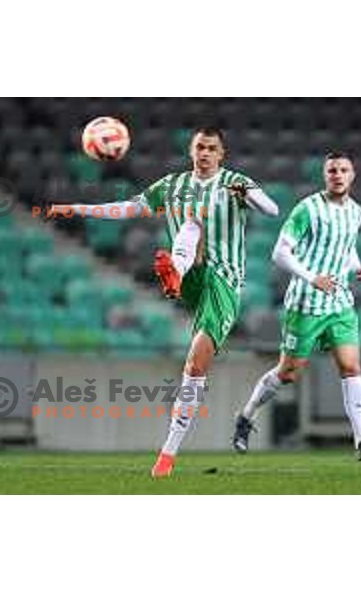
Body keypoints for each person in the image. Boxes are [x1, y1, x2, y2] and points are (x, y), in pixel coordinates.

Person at [50, 127, 279, 476]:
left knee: (195, 367)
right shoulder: (172, 185)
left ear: (222, 154)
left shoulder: (235, 181)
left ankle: (166, 457)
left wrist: (248, 194)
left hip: (223, 284)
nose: (204, 153)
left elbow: (273, 210)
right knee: (192, 220)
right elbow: (128, 208)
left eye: (211, 148)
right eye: (199, 147)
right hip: (190, 279)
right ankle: (175, 271)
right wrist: (77, 208)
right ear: (191, 151)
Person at [232, 151, 361, 462]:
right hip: (306, 303)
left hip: (340, 302)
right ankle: (246, 415)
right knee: (289, 373)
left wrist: (358, 267)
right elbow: (280, 253)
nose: (338, 174)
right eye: (332, 170)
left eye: (344, 169)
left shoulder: (356, 212)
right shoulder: (308, 208)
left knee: (351, 366)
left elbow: (346, 249)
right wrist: (312, 277)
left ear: (352, 175)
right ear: (325, 175)